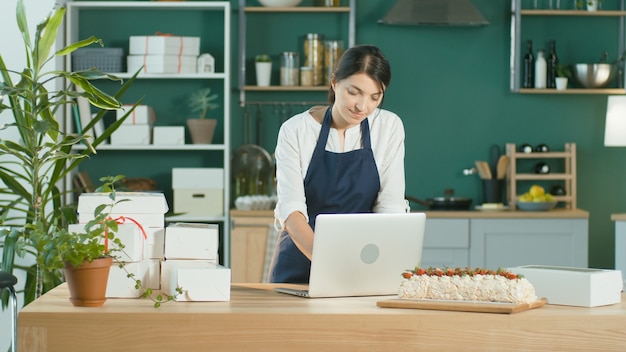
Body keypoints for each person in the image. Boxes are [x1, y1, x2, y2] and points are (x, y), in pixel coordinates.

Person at [268, 44, 408, 283]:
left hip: (364, 262)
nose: (362, 107)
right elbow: (291, 211)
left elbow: (390, 208)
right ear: (334, 82)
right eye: (354, 92)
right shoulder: (296, 131)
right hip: (300, 261)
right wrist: (333, 265)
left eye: (375, 97)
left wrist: (378, 265)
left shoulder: (388, 127)